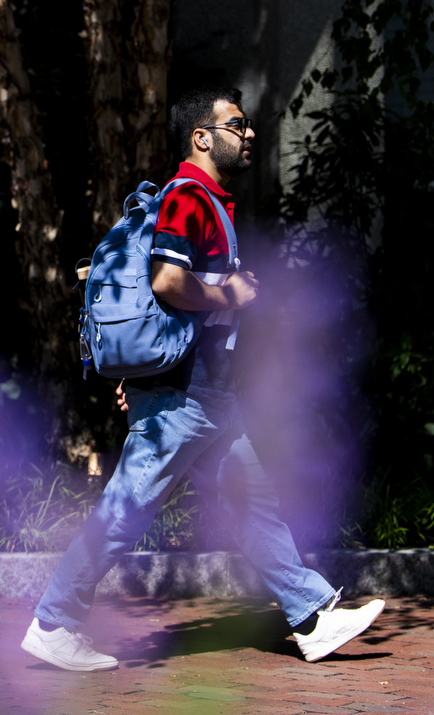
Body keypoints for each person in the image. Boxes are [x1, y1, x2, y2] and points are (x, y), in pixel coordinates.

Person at [20, 87, 383, 671]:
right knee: (125, 510)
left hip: (201, 393)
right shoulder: (188, 196)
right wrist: (229, 293)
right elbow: (166, 282)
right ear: (202, 137)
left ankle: (312, 617)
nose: (249, 134)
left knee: (253, 506)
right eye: (237, 125)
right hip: (183, 396)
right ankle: (53, 622)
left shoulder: (207, 199)